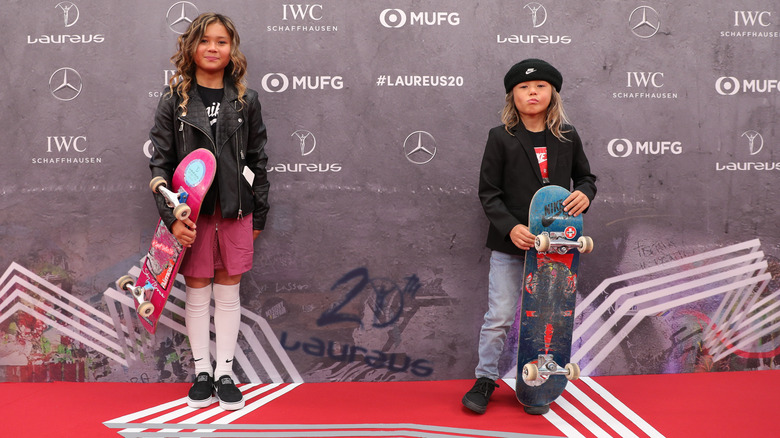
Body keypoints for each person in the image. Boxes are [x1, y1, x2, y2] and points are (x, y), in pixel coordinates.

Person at [148, 12, 270, 411]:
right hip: (192, 218)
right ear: (191, 48)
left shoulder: (246, 101)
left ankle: (225, 373)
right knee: (198, 293)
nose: (213, 48)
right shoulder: (175, 100)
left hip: (235, 214)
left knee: (229, 292)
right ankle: (202, 372)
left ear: (231, 49)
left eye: (221, 41)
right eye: (205, 40)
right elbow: (160, 167)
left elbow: (257, 161)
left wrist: (259, 213)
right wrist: (173, 219)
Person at [462, 59, 596, 415]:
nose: (532, 92)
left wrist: (586, 193)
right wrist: (511, 227)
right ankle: (485, 378)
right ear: (512, 96)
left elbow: (586, 178)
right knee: (500, 316)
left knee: (548, 318)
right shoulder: (500, 137)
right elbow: (488, 193)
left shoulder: (567, 135)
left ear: (552, 93)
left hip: (557, 247)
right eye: (523, 87)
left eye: (539, 86)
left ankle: (538, 384)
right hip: (512, 244)